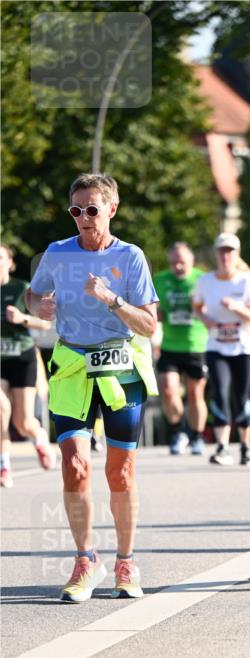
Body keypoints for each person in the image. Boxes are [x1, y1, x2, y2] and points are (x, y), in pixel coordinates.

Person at [25, 173, 158, 602]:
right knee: (75, 464)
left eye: (92, 209)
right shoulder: (57, 254)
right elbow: (32, 295)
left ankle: (126, 561)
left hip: (120, 364)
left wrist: (112, 300)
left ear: (111, 210)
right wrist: (39, 306)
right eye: (76, 210)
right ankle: (86, 559)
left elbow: (150, 325)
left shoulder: (131, 257)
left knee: (120, 470)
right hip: (73, 365)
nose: (83, 217)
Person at [192, 233, 250, 466]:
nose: (226, 255)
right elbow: (197, 306)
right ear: (216, 254)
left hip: (244, 347)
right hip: (216, 346)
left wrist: (236, 308)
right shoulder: (206, 281)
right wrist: (206, 320)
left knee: (241, 397)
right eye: (222, 251)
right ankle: (222, 446)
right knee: (220, 394)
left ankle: (245, 446)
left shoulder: (246, 281)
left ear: (237, 254)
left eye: (230, 251)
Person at [1, 243, 56, 487]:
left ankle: (40, 439)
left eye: (0, 258)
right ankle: (4, 465)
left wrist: (22, 318)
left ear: (9, 263)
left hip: (22, 358)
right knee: (1, 410)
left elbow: (44, 324)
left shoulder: (21, 288)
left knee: (23, 423)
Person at [154, 242, 209, 455]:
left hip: (197, 345)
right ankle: (178, 432)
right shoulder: (160, 280)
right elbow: (152, 309)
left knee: (196, 394)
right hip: (170, 346)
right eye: (174, 263)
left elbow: (212, 307)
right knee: (168, 390)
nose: (178, 267)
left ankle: (196, 436)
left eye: (182, 262)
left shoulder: (202, 280)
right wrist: (158, 315)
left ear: (192, 262)